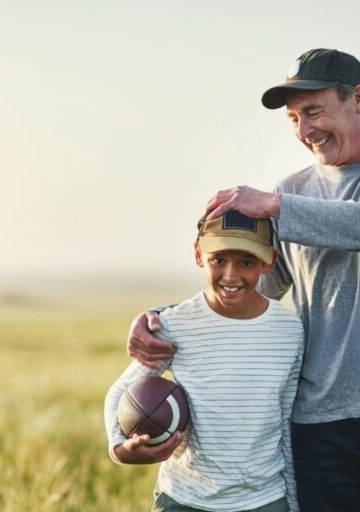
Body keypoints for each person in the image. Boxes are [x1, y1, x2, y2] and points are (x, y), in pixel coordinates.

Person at [128, 48, 360, 511]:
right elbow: (253, 289)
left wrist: (273, 208)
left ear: (359, 98)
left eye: (314, 111)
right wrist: (162, 319)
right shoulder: (293, 190)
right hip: (321, 428)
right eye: (294, 118)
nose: (305, 130)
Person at [105, 211, 304, 512]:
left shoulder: (290, 332)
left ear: (269, 262)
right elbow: (121, 392)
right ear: (198, 254)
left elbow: (286, 423)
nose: (231, 275)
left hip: (264, 500)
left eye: (246, 262)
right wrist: (120, 449)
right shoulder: (172, 325)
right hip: (185, 499)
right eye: (218, 260)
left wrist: (293, 503)